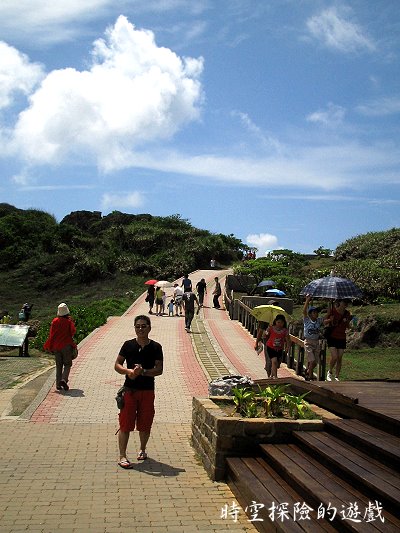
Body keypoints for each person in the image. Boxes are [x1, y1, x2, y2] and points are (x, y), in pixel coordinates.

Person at [114, 315, 163, 468]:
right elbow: (117, 365)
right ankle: (122, 456)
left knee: (145, 423)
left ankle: (142, 449)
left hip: (147, 391)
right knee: (125, 424)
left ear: (149, 327)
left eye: (143, 326)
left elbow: (159, 369)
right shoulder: (128, 345)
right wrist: (129, 372)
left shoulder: (156, 347)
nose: (140, 329)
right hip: (130, 391)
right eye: (138, 326)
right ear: (134, 328)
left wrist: (143, 372)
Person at [43, 303, 77, 391]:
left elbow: (51, 334)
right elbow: (73, 332)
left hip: (56, 346)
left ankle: (58, 384)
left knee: (59, 365)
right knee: (67, 364)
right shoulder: (69, 321)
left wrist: (50, 346)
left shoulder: (54, 321)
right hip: (66, 345)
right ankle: (64, 380)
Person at [325, 299, 352, 382]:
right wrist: (330, 319)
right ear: (339, 303)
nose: (345, 304)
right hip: (332, 336)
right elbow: (324, 322)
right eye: (344, 302)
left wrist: (348, 322)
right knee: (335, 356)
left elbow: (348, 326)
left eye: (346, 303)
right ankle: (329, 372)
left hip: (341, 337)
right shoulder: (332, 311)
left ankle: (337, 376)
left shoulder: (347, 314)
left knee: (340, 357)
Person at [302, 295, 324, 381]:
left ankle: (308, 370)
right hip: (308, 343)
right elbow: (304, 311)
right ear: (310, 314)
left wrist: (330, 302)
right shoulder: (307, 320)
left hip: (316, 342)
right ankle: (310, 377)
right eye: (314, 312)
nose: (316, 314)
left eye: (317, 312)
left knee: (315, 362)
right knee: (312, 361)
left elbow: (328, 315)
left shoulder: (318, 320)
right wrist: (307, 300)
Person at [265, 315, 291, 379]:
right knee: (274, 361)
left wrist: (287, 347)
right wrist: (266, 331)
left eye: (281, 322)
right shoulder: (271, 328)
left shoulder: (285, 331)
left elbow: (288, 340)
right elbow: (265, 335)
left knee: (277, 363)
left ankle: (271, 375)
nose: (279, 324)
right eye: (278, 322)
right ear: (275, 322)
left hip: (279, 349)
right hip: (270, 347)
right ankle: (275, 376)